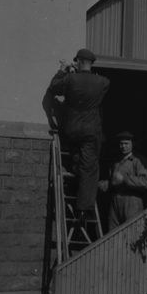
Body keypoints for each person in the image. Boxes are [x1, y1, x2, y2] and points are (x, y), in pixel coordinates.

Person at [42, 48, 109, 214]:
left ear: (78, 62)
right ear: (91, 63)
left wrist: (62, 71)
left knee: (79, 153)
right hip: (91, 130)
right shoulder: (102, 82)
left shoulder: (70, 79)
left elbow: (54, 87)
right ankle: (83, 209)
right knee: (90, 166)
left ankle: (76, 162)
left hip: (71, 129)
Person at [100, 131, 147, 232]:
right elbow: (113, 182)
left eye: (126, 143)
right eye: (121, 144)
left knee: (131, 233)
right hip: (115, 202)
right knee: (112, 233)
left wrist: (125, 179)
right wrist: (104, 185)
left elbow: (146, 182)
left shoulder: (138, 161)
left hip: (132, 201)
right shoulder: (116, 162)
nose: (123, 146)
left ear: (133, 144)